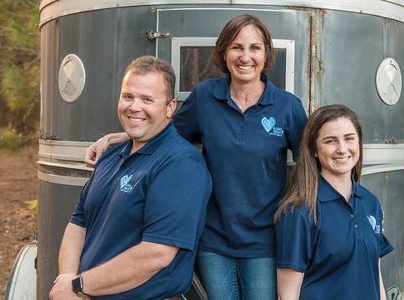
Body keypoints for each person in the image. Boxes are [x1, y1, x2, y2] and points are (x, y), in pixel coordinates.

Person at [85, 14, 307, 299]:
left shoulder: (287, 106)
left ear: (266, 54)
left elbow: (309, 166)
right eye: (237, 47)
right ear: (224, 52)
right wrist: (117, 138)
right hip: (213, 239)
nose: (245, 56)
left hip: (264, 241)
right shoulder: (205, 97)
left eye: (255, 48)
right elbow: (164, 130)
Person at [49, 56, 212, 300]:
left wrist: (78, 286)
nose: (134, 107)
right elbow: (78, 222)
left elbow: (156, 254)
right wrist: (67, 279)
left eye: (147, 99)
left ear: (170, 107)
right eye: (128, 96)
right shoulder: (111, 154)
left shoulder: (180, 165)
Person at [274, 104, 393, 300]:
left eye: (349, 139)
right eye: (330, 141)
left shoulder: (371, 203)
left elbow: (374, 272)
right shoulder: (299, 211)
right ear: (314, 149)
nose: (342, 149)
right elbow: (287, 295)